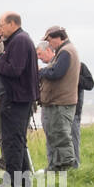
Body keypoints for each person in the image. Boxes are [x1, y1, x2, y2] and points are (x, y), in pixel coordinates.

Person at [0, 11, 38, 187]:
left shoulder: (20, 41)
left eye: (1, 25)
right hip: (19, 97)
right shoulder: (18, 40)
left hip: (16, 98)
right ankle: (24, 181)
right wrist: (1, 42)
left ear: (12, 24)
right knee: (18, 140)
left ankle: (12, 183)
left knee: (11, 142)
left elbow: (14, 69)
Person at [36, 26, 81, 172]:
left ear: (58, 37)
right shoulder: (66, 50)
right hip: (61, 101)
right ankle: (57, 168)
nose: (49, 45)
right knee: (57, 135)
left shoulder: (66, 51)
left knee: (61, 136)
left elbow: (57, 72)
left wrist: (41, 71)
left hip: (62, 102)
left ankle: (67, 168)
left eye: (49, 41)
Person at [73, 59, 94, 167]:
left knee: (73, 139)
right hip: (59, 110)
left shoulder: (80, 66)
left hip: (74, 111)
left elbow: (90, 84)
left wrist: (73, 75)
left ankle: (75, 168)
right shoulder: (55, 65)